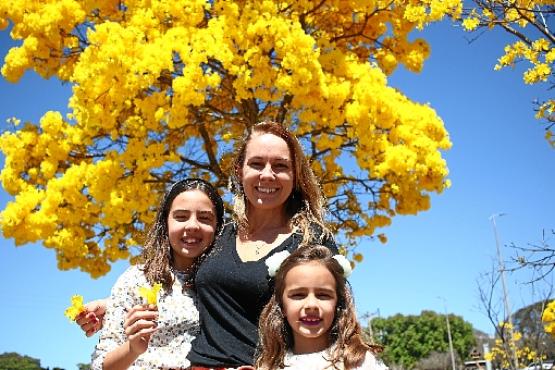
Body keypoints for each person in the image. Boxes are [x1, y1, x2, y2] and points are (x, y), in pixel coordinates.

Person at [78, 121, 337, 368]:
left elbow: (332, 315)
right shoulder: (219, 236)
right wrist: (113, 305)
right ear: (239, 170)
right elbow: (185, 283)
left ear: (296, 174)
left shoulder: (312, 241)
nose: (267, 175)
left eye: (280, 165)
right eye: (256, 163)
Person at [90, 178, 224, 370]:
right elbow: (100, 365)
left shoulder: (227, 284)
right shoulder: (136, 279)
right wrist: (133, 348)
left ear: (218, 226)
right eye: (181, 217)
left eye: (204, 218)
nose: (192, 226)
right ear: (165, 223)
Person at [255, 245, 386, 370]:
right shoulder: (269, 366)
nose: (311, 305)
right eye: (299, 295)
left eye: (323, 295)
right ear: (282, 306)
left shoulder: (358, 361)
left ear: (337, 303)